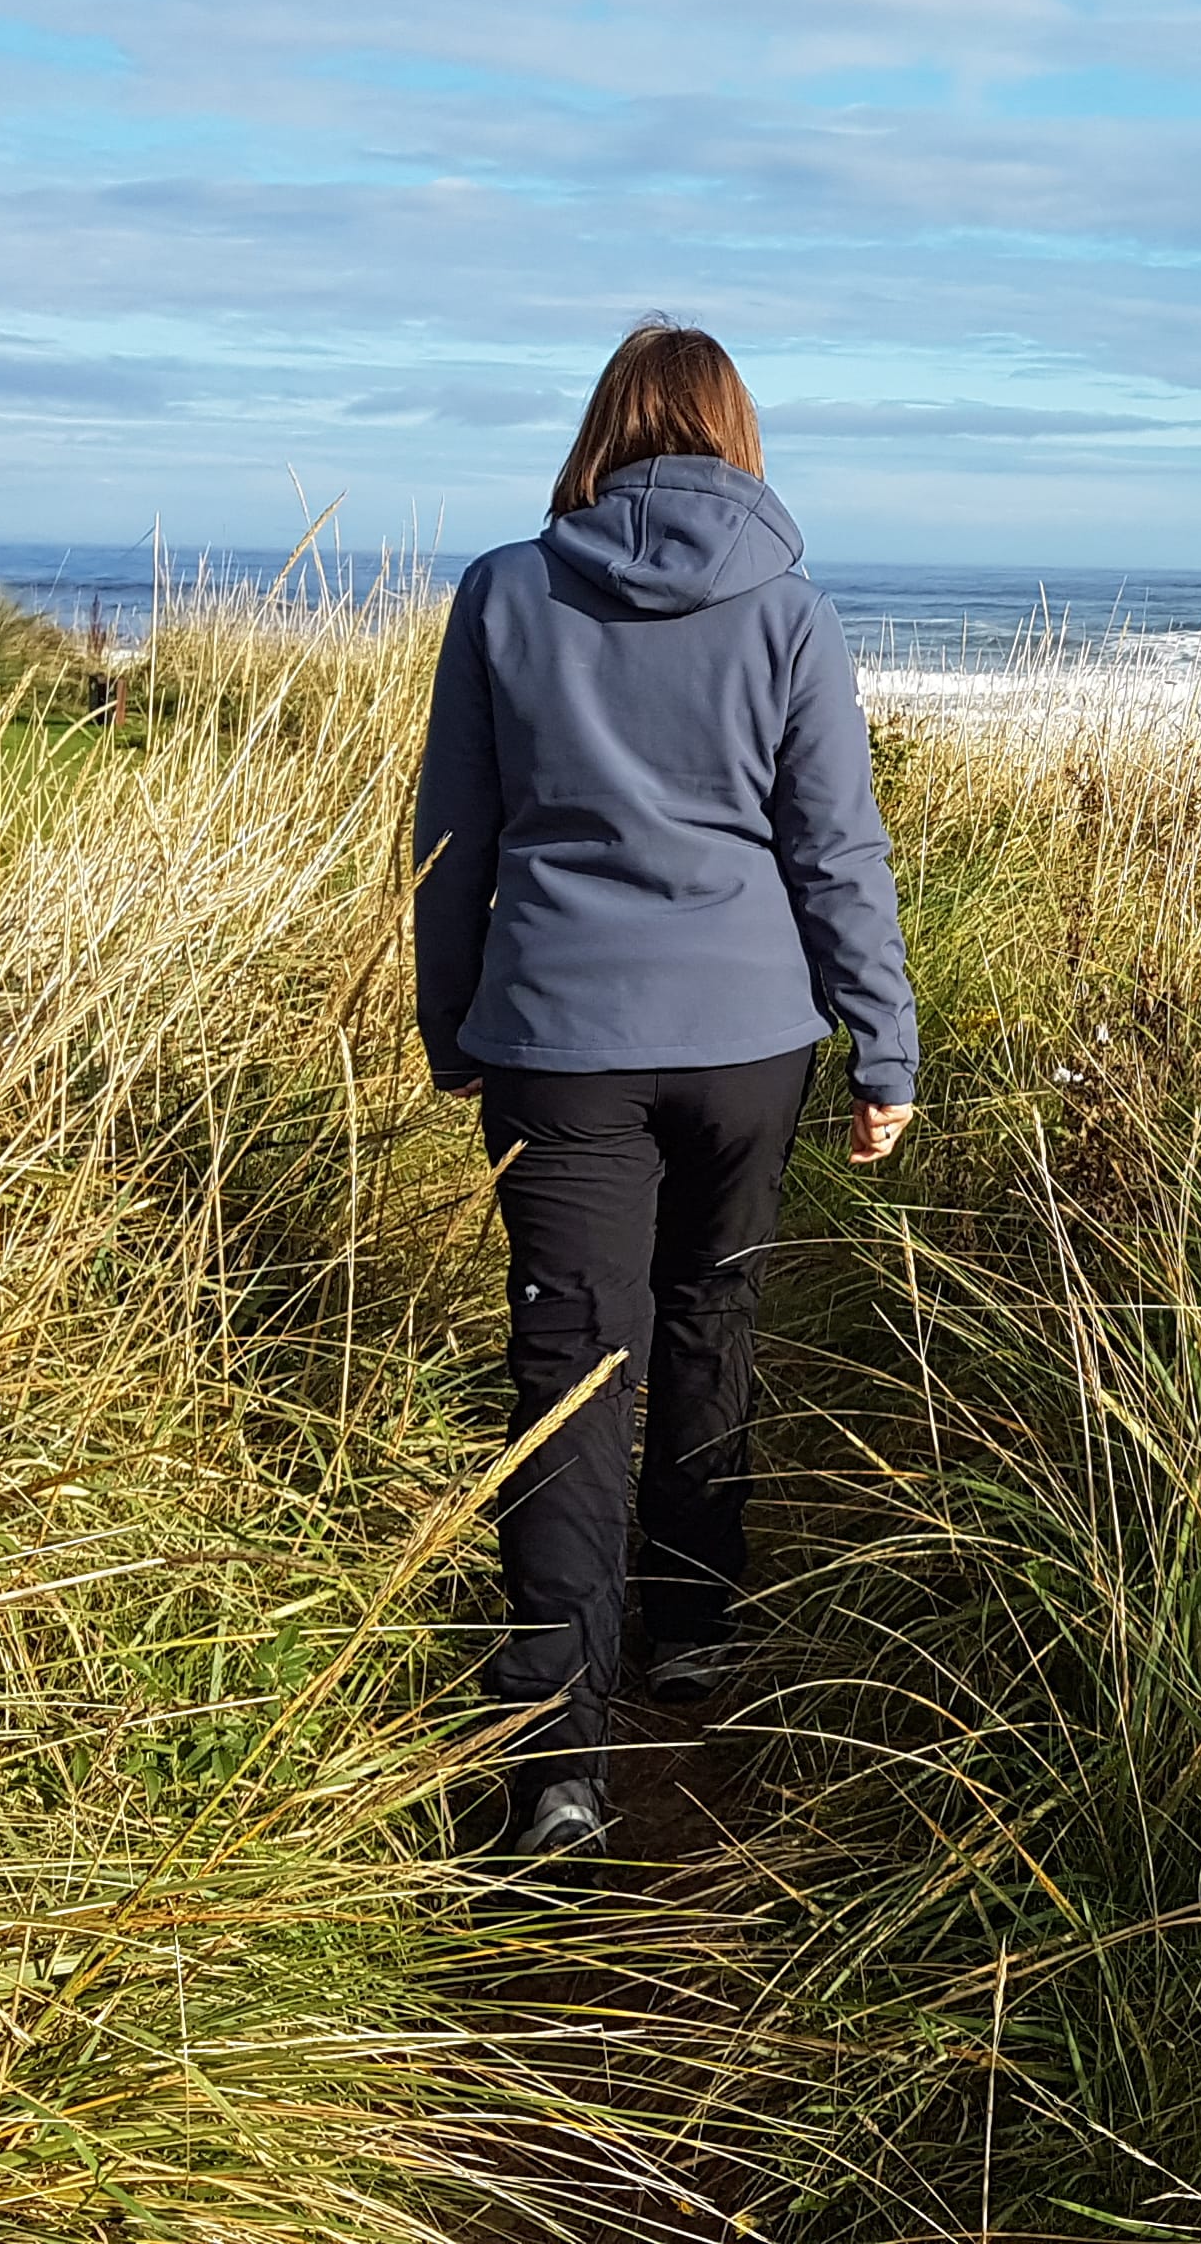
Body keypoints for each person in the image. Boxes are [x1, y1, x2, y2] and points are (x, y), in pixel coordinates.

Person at [411, 321, 919, 1862]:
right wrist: (881, 1042)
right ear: (734, 435)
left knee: (571, 1362)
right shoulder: (787, 608)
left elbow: (453, 841)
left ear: (604, 433)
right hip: (750, 1037)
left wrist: (454, 1030)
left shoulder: (508, 590)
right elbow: (837, 845)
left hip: (559, 1039)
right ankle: (697, 1626)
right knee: (715, 1309)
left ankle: (558, 1758)